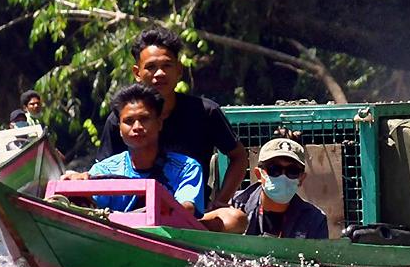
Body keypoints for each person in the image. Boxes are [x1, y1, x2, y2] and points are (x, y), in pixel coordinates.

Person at [99, 26, 249, 209]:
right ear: (137, 73)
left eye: (166, 66)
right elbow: (102, 176)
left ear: (179, 70)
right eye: (151, 67)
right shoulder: (120, 119)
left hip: (189, 213)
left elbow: (239, 156)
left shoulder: (205, 112)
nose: (159, 74)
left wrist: (220, 202)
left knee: (234, 219)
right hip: (130, 218)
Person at [64, 84, 205, 215]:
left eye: (144, 119)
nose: (137, 127)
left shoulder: (186, 168)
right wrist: (76, 186)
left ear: (159, 123)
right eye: (129, 121)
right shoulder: (104, 170)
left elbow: (186, 210)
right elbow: (86, 205)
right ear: (119, 128)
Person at [230, 137, 328, 239]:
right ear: (258, 174)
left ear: (301, 179)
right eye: (274, 169)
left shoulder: (315, 219)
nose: (283, 177)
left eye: (292, 171)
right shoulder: (233, 206)